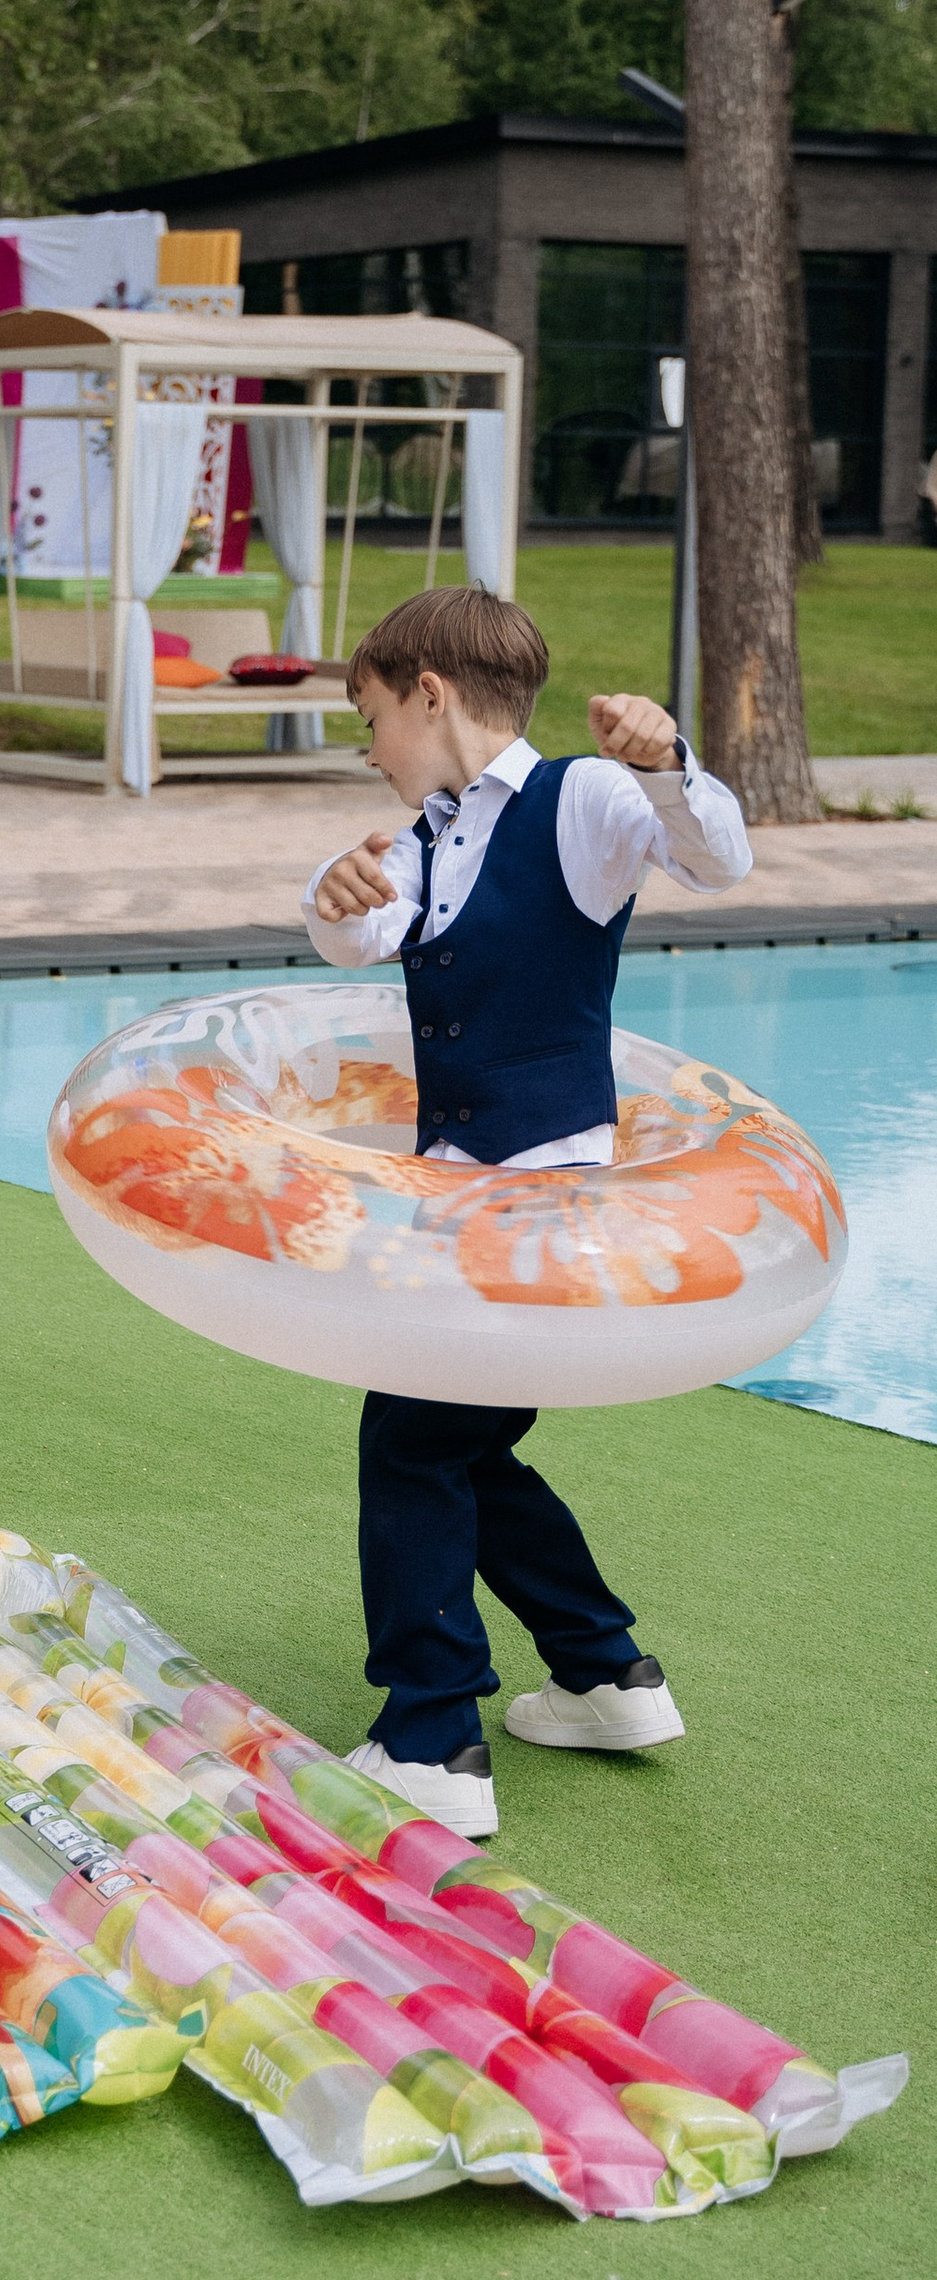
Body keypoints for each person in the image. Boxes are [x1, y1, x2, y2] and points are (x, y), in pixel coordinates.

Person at [305, 586, 752, 1839]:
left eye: (372, 718)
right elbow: (363, 942)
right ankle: (605, 1678)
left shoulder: (585, 799)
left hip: (539, 1186)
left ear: (427, 693)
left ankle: (432, 1737)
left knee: (410, 1443)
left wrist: (668, 762)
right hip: (462, 1183)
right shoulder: (428, 833)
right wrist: (336, 902)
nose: (371, 748)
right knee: (463, 1441)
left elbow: (718, 859)